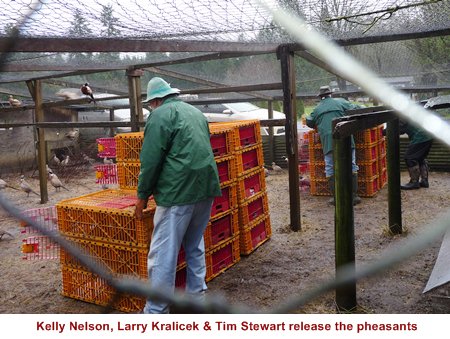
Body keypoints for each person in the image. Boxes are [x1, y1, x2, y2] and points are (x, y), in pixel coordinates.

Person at [134, 77, 222, 314]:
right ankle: (198, 298)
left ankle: (156, 310)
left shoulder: (160, 116)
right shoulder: (195, 113)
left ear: (155, 101)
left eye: (151, 103)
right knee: (194, 244)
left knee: (163, 252)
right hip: (205, 188)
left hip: (177, 191)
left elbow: (151, 160)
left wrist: (142, 195)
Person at [306, 85, 362, 206]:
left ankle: (336, 198)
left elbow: (309, 121)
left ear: (320, 97)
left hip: (328, 142)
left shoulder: (317, 108)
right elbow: (357, 108)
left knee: (330, 168)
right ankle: (353, 196)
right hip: (346, 139)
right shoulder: (341, 102)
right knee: (351, 165)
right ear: (331, 94)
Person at [398, 120, 433, 189]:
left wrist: (382, 132)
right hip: (428, 136)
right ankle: (424, 181)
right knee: (420, 158)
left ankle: (414, 182)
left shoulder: (401, 115)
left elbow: (398, 128)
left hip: (420, 137)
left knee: (410, 158)